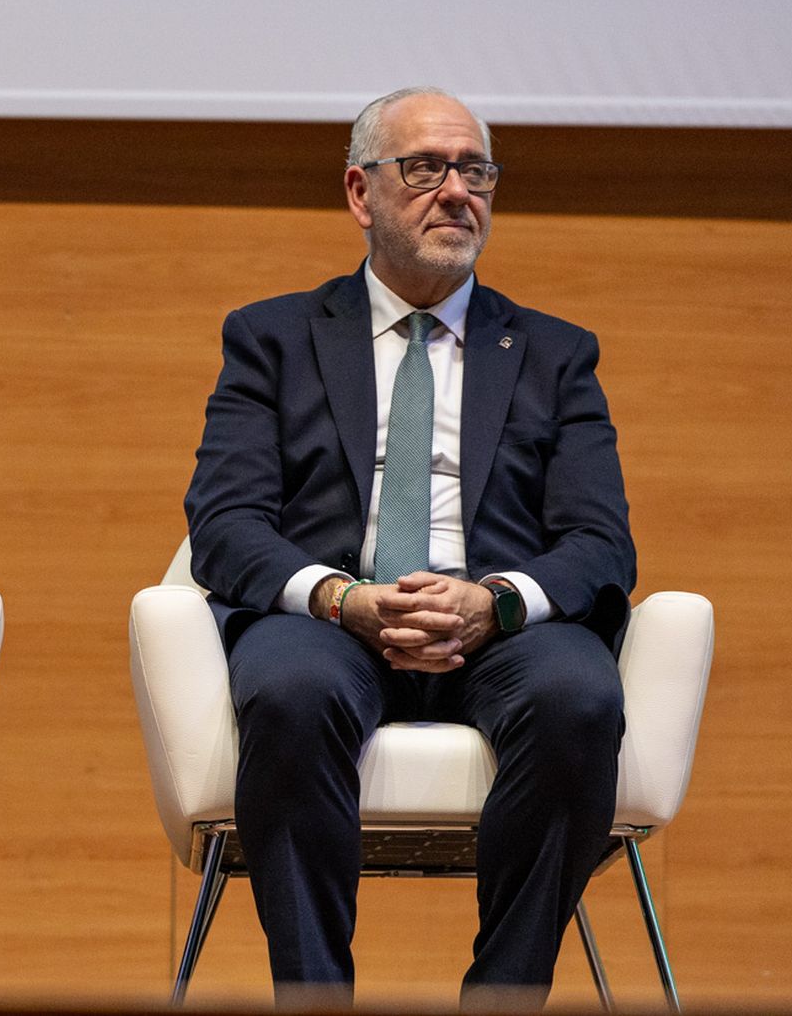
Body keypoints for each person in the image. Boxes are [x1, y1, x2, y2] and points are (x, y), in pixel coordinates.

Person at [183, 87, 635, 1008]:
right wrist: (343, 597)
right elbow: (224, 522)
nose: (456, 191)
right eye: (426, 168)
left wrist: (496, 600)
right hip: (332, 620)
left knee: (580, 697)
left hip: (501, 628)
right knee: (291, 691)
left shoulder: (555, 353)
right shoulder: (271, 338)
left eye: (475, 171)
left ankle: (504, 997)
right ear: (361, 192)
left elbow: (600, 541)